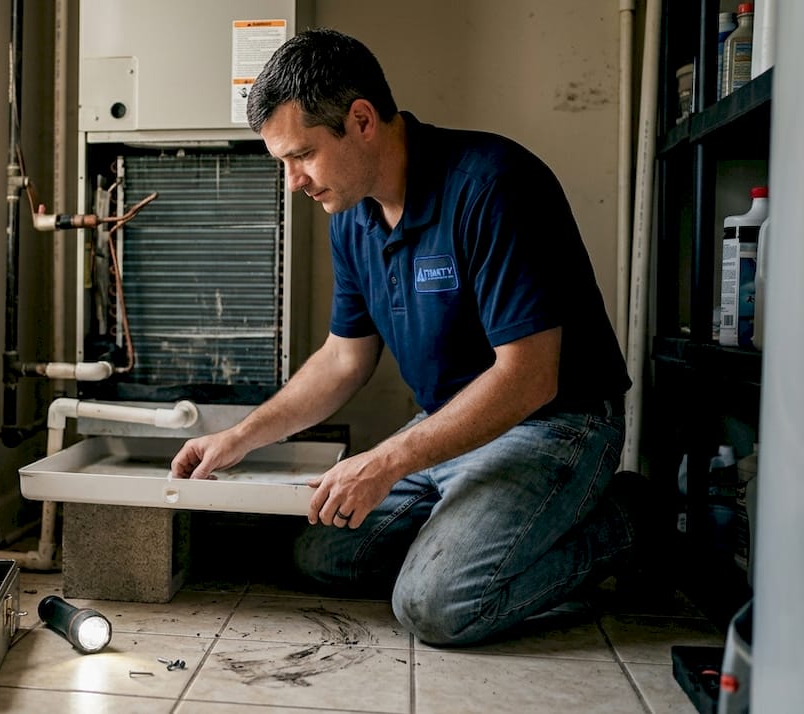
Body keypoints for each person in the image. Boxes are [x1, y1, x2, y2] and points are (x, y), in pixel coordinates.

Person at [170, 28, 637, 647]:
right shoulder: (352, 214)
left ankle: (627, 523)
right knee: (322, 554)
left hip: (557, 422)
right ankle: (479, 531)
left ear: (361, 120)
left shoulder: (492, 184)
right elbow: (343, 359)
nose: (294, 181)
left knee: (436, 607)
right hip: (449, 427)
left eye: (302, 155)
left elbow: (529, 376)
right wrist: (240, 436)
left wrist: (388, 461)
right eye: (282, 162)